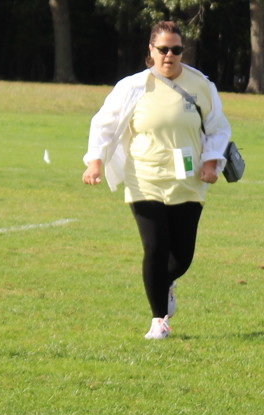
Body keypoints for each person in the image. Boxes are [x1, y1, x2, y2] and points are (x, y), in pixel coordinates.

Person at [83, 20, 231, 340]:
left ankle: (167, 283)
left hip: (187, 179)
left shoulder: (201, 85)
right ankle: (158, 320)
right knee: (154, 247)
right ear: (151, 50)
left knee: (182, 256)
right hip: (144, 177)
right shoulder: (132, 87)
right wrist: (95, 162)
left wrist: (211, 162)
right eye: (163, 49)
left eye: (176, 50)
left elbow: (218, 127)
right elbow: (103, 125)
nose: (169, 56)